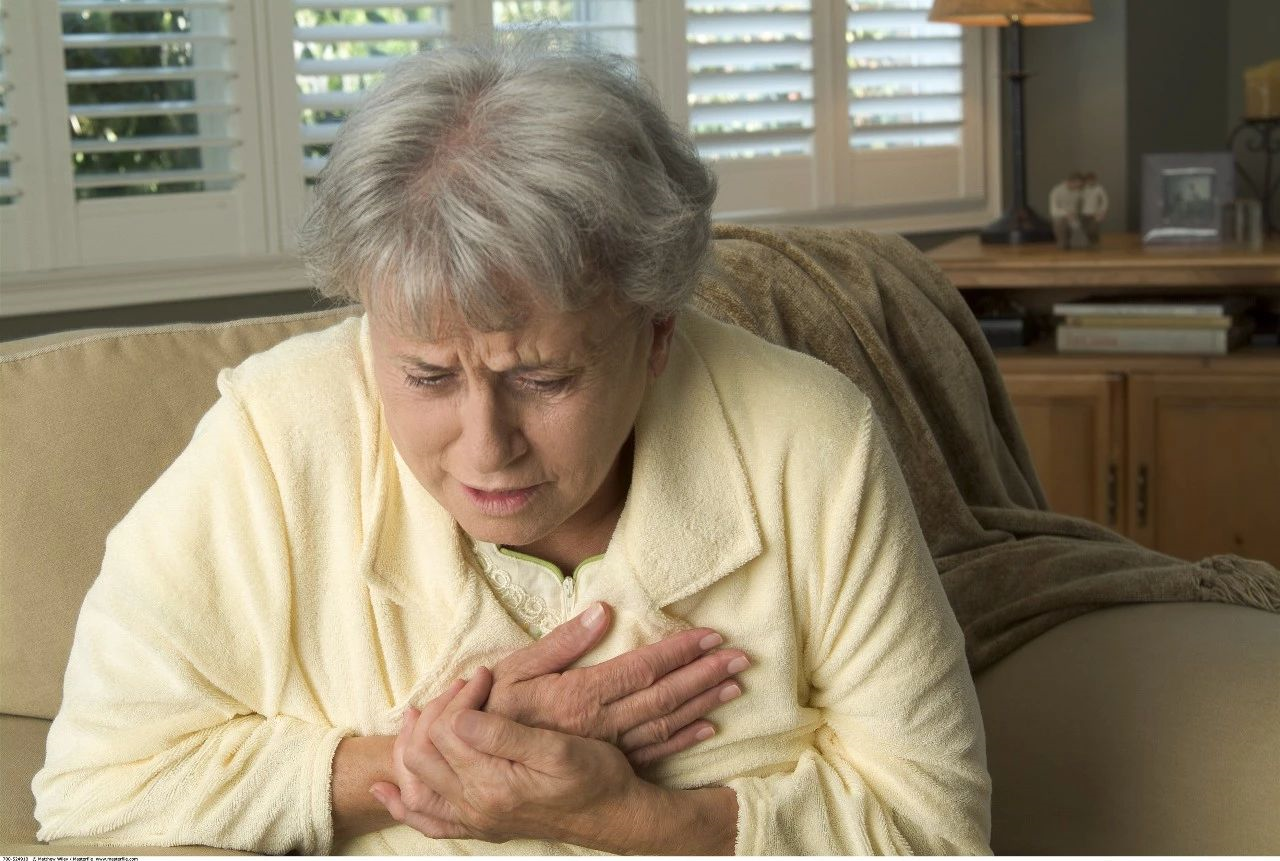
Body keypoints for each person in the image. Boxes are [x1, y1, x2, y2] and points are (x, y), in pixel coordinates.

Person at [33, 42, 992, 855]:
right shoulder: (273, 438)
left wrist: (634, 816)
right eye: (426, 376)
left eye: (542, 379)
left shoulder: (808, 440)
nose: (486, 448)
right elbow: (91, 786)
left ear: (656, 332)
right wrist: (424, 763)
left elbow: (937, 822)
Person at [1049, 172, 1085, 249]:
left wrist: (1074, 215)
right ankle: (1062, 243)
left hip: (1074, 218)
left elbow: (1078, 207)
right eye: (1077, 185)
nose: (1078, 188)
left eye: (1080, 186)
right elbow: (1054, 210)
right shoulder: (1056, 191)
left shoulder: (1078, 192)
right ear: (1070, 182)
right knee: (1059, 222)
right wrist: (1066, 214)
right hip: (1060, 217)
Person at [1080, 172, 1109, 245]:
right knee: (1086, 230)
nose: (1090, 181)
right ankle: (1089, 244)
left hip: (1095, 213)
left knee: (1093, 229)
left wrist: (1102, 212)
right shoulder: (1082, 189)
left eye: (1092, 180)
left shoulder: (1099, 189)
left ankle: (1095, 242)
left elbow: (1105, 201)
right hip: (1084, 213)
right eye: (1089, 180)